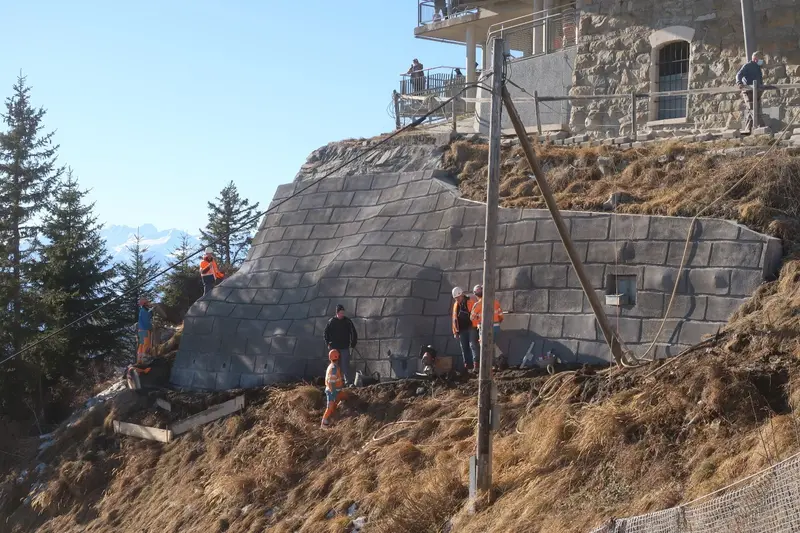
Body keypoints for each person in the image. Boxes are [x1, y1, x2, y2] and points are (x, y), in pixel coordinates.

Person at [470, 284, 504, 372]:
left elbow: (472, 317)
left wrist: (478, 320)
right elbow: (501, 316)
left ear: (476, 295)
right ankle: (496, 363)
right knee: (492, 345)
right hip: (496, 327)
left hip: (485, 328)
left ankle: (487, 366)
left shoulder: (477, 305)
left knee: (485, 347)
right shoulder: (495, 302)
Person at [323, 304, 358, 385]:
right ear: (337, 313)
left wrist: (353, 343)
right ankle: (335, 382)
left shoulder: (347, 321)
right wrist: (328, 342)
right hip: (334, 348)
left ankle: (347, 382)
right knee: (334, 365)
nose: (342, 314)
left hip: (344, 347)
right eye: (341, 312)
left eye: (343, 312)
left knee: (345, 365)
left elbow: (353, 332)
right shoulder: (331, 321)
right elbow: (325, 333)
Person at [736, 51, 764, 134]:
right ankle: (760, 126)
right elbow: (739, 75)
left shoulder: (757, 68)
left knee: (753, 110)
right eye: (760, 59)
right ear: (755, 59)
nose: (761, 61)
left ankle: (748, 129)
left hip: (756, 92)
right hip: (749, 92)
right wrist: (739, 83)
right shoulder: (748, 66)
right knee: (752, 109)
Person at [451, 286, 478, 372]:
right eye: (455, 298)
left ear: (462, 295)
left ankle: (476, 365)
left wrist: (477, 326)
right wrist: (455, 331)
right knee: (464, 347)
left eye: (458, 297)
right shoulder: (455, 305)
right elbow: (454, 319)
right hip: (461, 330)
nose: (457, 299)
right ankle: (467, 366)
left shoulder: (470, 302)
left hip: (471, 327)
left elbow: (475, 315)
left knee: (473, 345)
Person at [321, 349, 347, 429]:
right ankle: (324, 422)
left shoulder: (332, 366)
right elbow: (332, 382)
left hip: (335, 390)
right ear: (338, 357)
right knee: (331, 405)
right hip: (333, 391)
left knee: (345, 399)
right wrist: (334, 393)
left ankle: (334, 419)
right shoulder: (334, 368)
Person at [136, 298, 154, 364]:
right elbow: (147, 322)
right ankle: (145, 359)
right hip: (145, 329)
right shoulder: (144, 311)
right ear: (145, 304)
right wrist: (151, 327)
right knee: (146, 344)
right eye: (148, 303)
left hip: (141, 330)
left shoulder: (142, 311)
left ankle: (139, 360)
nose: (149, 304)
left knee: (142, 344)